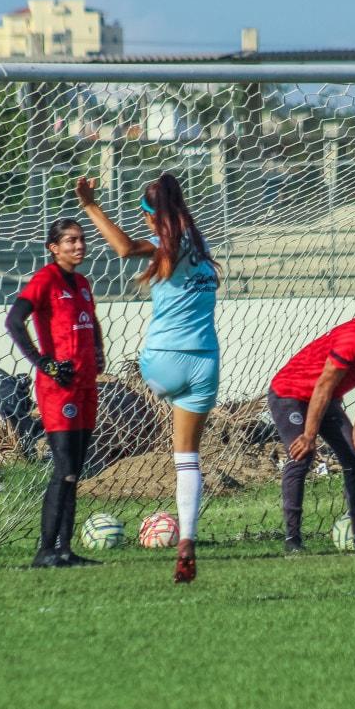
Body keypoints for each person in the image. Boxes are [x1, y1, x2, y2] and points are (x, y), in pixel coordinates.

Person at [75, 172, 219, 584]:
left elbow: (122, 249)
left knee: (144, 380)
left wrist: (89, 205)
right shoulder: (202, 246)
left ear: (153, 217)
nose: (143, 224)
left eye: (144, 216)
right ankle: (187, 541)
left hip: (161, 364)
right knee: (187, 458)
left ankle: (148, 391)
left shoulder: (162, 246)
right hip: (205, 362)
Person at [268, 288, 355, 553]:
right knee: (302, 455)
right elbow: (323, 386)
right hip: (290, 394)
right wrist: (309, 436)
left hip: (326, 399)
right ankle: (292, 540)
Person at [6, 218, 106, 568]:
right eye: (70, 241)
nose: (79, 246)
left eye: (81, 240)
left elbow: (91, 322)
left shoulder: (81, 282)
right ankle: (45, 549)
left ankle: (65, 550)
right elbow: (13, 322)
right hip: (58, 389)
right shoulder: (44, 280)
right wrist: (42, 362)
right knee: (63, 465)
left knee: (76, 468)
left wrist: (99, 352)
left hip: (85, 385)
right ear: (54, 247)